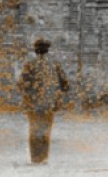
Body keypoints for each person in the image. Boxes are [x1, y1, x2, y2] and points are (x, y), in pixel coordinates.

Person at [19, 37, 70, 165]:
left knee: (34, 129)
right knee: (46, 130)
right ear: (47, 50)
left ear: (35, 50)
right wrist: (56, 94)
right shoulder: (54, 64)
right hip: (49, 103)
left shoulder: (30, 64)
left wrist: (29, 93)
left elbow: (21, 83)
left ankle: (35, 157)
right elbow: (65, 84)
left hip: (33, 103)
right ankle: (43, 157)